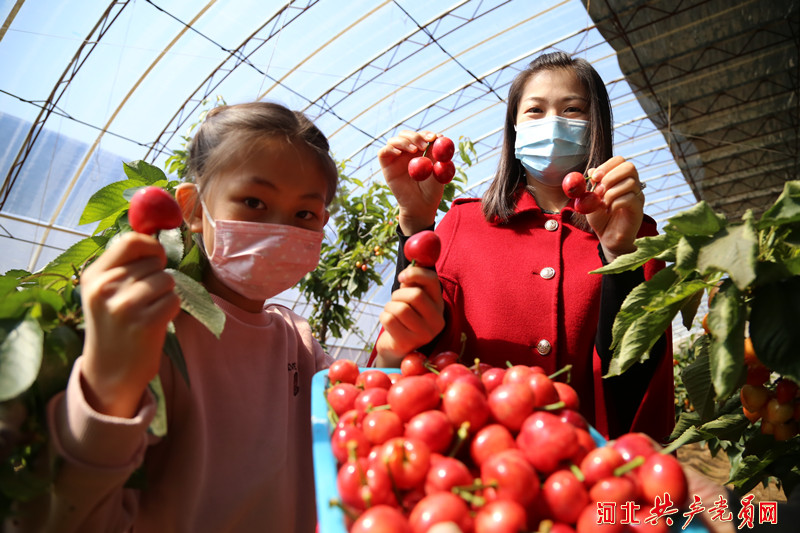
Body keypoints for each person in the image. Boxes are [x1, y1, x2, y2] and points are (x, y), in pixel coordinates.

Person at [10, 102, 338, 532]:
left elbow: (362, 424)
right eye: (254, 201)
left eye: (304, 215)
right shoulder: (154, 332)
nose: (280, 229)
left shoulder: (299, 342)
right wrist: (108, 381)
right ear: (194, 210)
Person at [370, 51, 675, 442]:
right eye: (535, 110)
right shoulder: (465, 223)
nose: (553, 123)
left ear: (596, 124)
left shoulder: (636, 237)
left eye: (573, 109)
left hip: (583, 469)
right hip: (473, 457)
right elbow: (412, 339)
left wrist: (618, 254)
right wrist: (415, 224)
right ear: (513, 127)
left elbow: (638, 383)